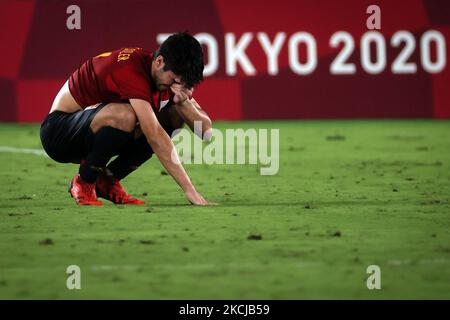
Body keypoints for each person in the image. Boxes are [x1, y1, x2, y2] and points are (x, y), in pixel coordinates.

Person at [40, 32, 212, 206]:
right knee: (126, 115)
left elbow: (206, 132)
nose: (176, 86)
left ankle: (107, 180)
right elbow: (154, 134)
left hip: (94, 130)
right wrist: (190, 190)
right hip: (58, 133)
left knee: (174, 114)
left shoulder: (169, 81)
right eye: (174, 80)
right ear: (159, 62)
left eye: (182, 83)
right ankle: (84, 181)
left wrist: (184, 104)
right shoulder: (131, 68)